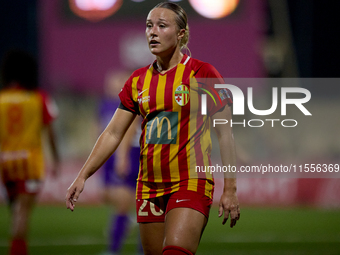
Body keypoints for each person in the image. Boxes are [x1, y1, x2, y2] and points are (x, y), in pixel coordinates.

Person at [66, 2, 240, 255]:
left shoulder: (203, 73)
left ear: (181, 34)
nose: (152, 32)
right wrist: (82, 175)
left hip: (190, 182)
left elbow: (225, 134)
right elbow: (114, 132)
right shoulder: (137, 81)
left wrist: (231, 189)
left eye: (161, 25)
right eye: (149, 26)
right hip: (148, 186)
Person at [0, 49, 60, 255]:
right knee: (22, 212)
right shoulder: (39, 98)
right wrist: (56, 159)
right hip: (30, 164)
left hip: (6, 164)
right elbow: (51, 132)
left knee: (15, 210)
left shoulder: (1, 98)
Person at [98, 71, 142, 255]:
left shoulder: (134, 101)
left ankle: (117, 249)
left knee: (144, 208)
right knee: (121, 201)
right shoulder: (111, 104)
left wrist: (121, 157)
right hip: (130, 154)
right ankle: (114, 248)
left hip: (141, 154)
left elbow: (129, 130)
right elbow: (121, 131)